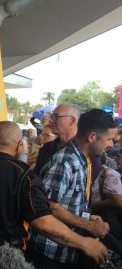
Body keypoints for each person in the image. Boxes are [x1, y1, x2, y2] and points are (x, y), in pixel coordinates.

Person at [0, 121, 106, 269]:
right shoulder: (23, 175)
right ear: (19, 146)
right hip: (3, 259)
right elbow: (42, 222)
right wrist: (84, 242)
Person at [27, 109, 117, 268]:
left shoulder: (82, 159)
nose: (111, 144)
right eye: (109, 139)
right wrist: (88, 225)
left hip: (65, 251)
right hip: (50, 254)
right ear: (92, 137)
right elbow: (48, 206)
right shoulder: (66, 161)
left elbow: (66, 203)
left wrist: (87, 217)